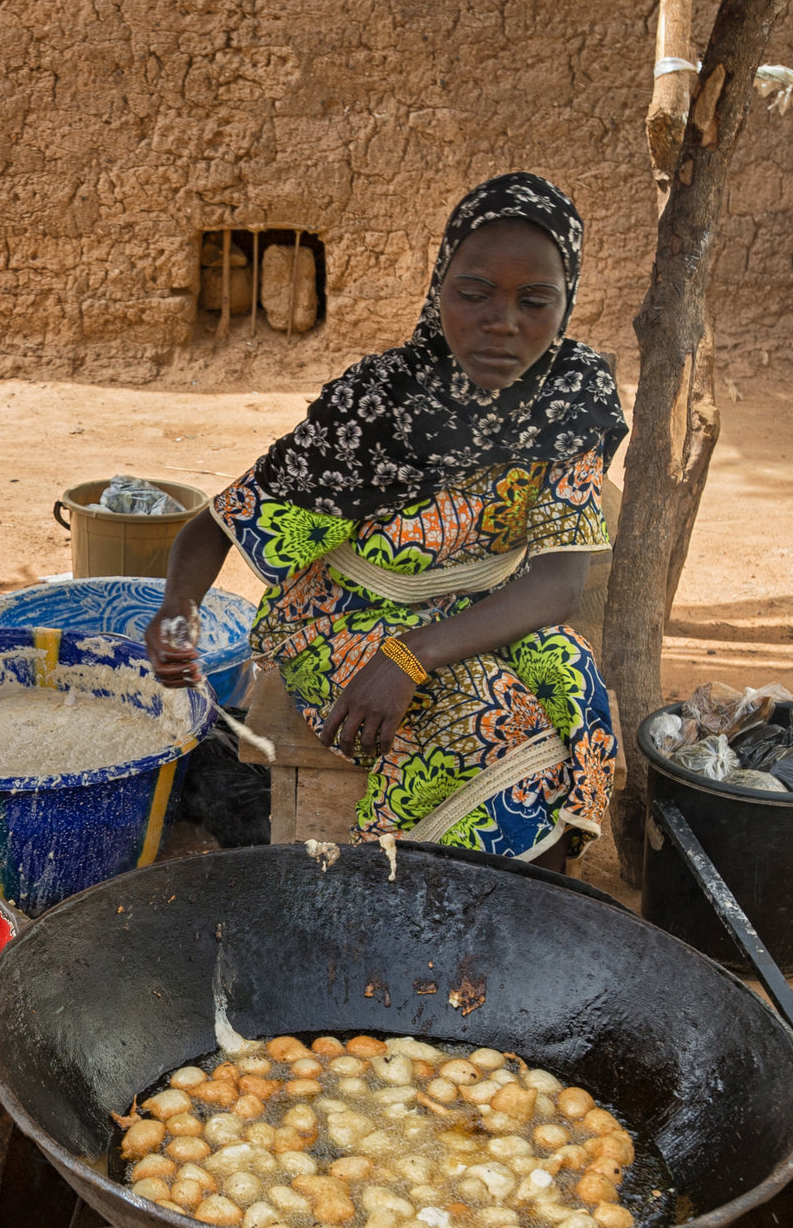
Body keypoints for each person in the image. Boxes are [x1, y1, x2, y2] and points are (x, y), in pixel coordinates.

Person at [147, 174, 623, 868]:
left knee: (576, 682)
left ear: (566, 299)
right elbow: (217, 523)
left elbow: (557, 585)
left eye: (535, 300)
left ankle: (527, 901)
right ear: (440, 288)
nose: (503, 321)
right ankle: (410, 893)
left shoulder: (570, 394)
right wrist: (176, 609)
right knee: (490, 717)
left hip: (477, 609)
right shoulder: (375, 405)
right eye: (475, 292)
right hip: (342, 617)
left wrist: (412, 653)